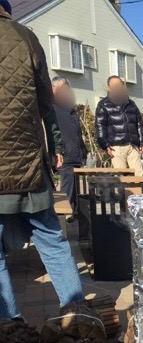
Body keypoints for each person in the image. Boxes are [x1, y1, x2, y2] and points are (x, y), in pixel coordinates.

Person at [0, 1, 84, 319]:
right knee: (51, 237)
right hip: (28, 163)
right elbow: (46, 102)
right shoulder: (26, 36)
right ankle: (77, 315)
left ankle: (10, 331)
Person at [95, 76, 143, 175]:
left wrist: (142, 141)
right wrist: (105, 145)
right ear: (109, 87)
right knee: (121, 177)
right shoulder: (103, 104)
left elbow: (139, 123)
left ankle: (139, 191)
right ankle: (124, 191)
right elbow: (100, 126)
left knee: (138, 175)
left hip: (132, 145)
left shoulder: (131, 103)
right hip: (116, 146)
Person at [52, 79, 87, 222]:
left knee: (77, 187)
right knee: (67, 186)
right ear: (53, 90)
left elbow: (78, 133)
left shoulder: (71, 110)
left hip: (76, 153)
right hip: (63, 154)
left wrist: (84, 150)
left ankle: (75, 213)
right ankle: (64, 216)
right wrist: (57, 150)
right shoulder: (51, 108)